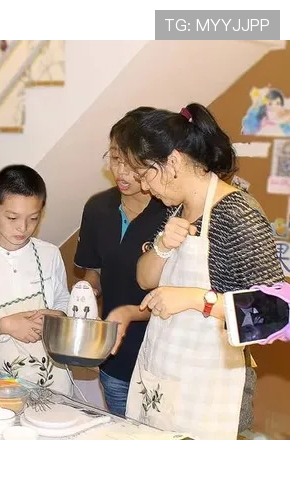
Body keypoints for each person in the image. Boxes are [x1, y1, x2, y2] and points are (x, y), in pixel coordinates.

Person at [112, 103, 285, 439]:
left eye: (146, 174)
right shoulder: (178, 208)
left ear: (173, 162)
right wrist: (163, 245)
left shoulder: (236, 214)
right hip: (163, 377)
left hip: (209, 388)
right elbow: (145, 279)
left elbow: (276, 313)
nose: (144, 187)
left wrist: (197, 300)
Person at [0, 165, 73, 394]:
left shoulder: (50, 254)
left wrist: (56, 317)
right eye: (12, 217)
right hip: (3, 385)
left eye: (33, 218)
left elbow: (64, 301)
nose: (23, 227)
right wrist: (6, 325)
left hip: (57, 383)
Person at [73, 142, 168, 416]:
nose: (121, 172)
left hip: (160, 361)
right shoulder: (98, 208)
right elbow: (95, 272)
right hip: (114, 360)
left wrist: (130, 312)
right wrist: (86, 291)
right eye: (115, 159)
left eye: (132, 163)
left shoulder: (171, 210)